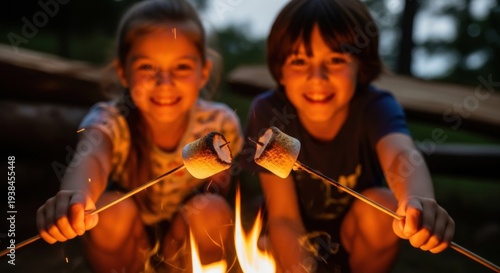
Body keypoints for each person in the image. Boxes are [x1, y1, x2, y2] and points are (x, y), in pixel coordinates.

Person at [239, 0, 455, 272]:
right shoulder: (270, 112)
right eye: (299, 61)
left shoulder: (375, 106)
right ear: (280, 71)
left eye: (336, 59)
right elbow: (283, 217)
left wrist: (418, 200)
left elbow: (401, 154)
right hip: (290, 239)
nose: (317, 77)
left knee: (383, 205)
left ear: (360, 65)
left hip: (358, 240)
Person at [36, 0, 243, 272]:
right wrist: (75, 195)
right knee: (110, 211)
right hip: (128, 241)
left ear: (203, 71)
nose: (164, 82)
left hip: (182, 240)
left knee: (211, 210)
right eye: (147, 67)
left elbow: (218, 187)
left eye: (181, 67)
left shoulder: (219, 124)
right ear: (123, 71)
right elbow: (92, 160)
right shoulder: (111, 119)